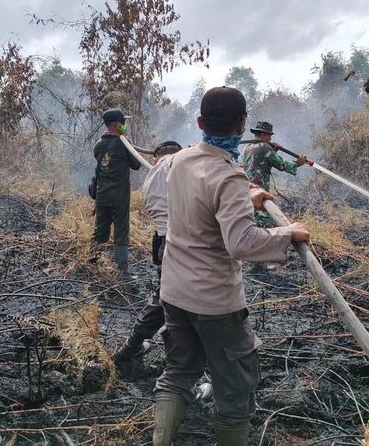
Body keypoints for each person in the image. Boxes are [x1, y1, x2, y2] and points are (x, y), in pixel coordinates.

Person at [152, 87, 311, 446]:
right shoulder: (228, 176)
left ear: (199, 122)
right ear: (242, 125)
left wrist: (245, 197)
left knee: (178, 372)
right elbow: (240, 242)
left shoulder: (180, 161)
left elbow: (200, 199)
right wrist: (287, 233)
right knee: (236, 387)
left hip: (174, 292)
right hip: (214, 303)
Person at [114, 140, 182, 361]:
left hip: (164, 242)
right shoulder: (175, 165)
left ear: (155, 158)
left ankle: (131, 347)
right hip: (180, 244)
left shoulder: (151, 178)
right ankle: (178, 373)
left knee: (166, 298)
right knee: (171, 303)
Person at [92, 108, 142, 276]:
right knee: (121, 231)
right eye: (122, 123)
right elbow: (136, 164)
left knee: (100, 229)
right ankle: (123, 272)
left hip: (101, 195)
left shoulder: (98, 144)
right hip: (119, 197)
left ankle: (93, 263)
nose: (124, 126)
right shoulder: (122, 144)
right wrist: (126, 141)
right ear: (116, 124)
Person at [242, 121, 310, 228]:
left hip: (247, 190)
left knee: (250, 216)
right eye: (269, 135)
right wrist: (298, 163)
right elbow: (281, 165)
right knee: (262, 220)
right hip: (259, 190)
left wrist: (274, 150)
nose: (270, 139)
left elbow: (262, 160)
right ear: (264, 134)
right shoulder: (264, 146)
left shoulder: (247, 148)